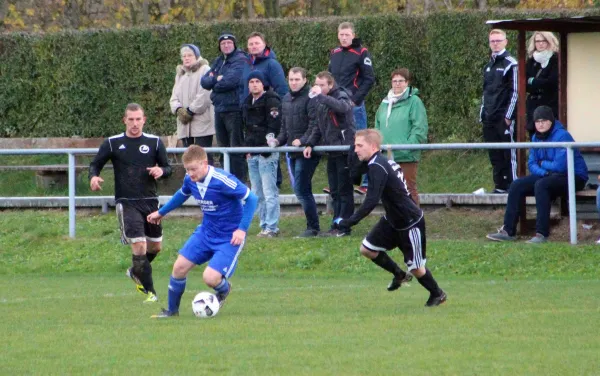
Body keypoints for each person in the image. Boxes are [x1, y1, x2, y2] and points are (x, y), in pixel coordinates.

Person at [335, 129, 446, 307]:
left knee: (417, 268)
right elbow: (355, 178)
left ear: (372, 146)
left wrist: (350, 221)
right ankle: (399, 274)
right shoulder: (376, 162)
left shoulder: (378, 166)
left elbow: (371, 200)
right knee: (367, 249)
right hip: (393, 220)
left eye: (359, 146)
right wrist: (352, 157)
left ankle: (437, 294)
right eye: (355, 145)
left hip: (410, 222)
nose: (356, 149)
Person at [147, 145, 258, 318]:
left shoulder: (222, 180)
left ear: (204, 163)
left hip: (229, 237)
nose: (191, 174)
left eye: (194, 169)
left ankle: (224, 289)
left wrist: (242, 230)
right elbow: (181, 194)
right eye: (187, 170)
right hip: (206, 232)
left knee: (210, 278)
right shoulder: (190, 179)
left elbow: (252, 199)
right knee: (179, 268)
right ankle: (172, 311)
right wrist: (161, 212)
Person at [89, 103, 172, 303]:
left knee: (155, 247)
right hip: (127, 202)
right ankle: (150, 292)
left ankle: (136, 271)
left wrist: (161, 171)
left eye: (138, 119)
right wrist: (93, 177)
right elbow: (95, 164)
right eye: (131, 119)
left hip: (151, 201)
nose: (135, 123)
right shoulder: (112, 143)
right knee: (139, 245)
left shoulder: (154, 142)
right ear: (124, 120)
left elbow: (168, 167)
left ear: (144, 120)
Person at [486, 106, 588, 244]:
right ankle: (508, 231)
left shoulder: (563, 136)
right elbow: (532, 164)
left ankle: (541, 234)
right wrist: (545, 171)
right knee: (517, 185)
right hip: (548, 175)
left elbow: (561, 166)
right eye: (537, 121)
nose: (540, 124)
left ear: (551, 121)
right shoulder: (535, 137)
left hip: (574, 176)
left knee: (542, 185)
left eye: (544, 120)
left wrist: (543, 164)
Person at [270, 67, 322, 238]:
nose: (294, 82)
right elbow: (285, 127)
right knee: (301, 188)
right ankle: (313, 226)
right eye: (291, 79)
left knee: (301, 189)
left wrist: (304, 141)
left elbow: (315, 125)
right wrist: (278, 140)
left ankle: (313, 227)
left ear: (305, 80)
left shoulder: (311, 98)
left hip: (307, 151)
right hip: (293, 151)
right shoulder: (285, 99)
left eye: (297, 79)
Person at [304, 71, 355, 237]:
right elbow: (318, 127)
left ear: (330, 85)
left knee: (344, 190)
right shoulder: (320, 102)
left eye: (322, 85)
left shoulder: (341, 95)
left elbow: (343, 108)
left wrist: (322, 97)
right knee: (334, 191)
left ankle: (344, 226)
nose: (318, 88)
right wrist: (310, 143)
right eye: (316, 84)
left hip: (343, 149)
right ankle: (336, 224)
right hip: (331, 151)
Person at [328, 21, 375, 194]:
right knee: (338, 141)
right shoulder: (335, 53)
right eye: (341, 35)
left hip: (354, 106)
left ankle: (366, 182)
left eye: (347, 34)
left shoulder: (362, 52)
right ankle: (341, 181)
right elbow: (330, 79)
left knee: (362, 141)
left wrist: (355, 99)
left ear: (353, 35)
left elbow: (369, 79)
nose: (344, 38)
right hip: (337, 105)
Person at [375, 68, 428, 206]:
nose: (397, 84)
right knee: (389, 192)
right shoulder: (384, 103)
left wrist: (408, 147)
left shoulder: (414, 101)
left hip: (406, 156)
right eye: (394, 81)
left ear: (407, 83)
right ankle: (396, 223)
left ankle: (415, 221)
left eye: (401, 81)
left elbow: (419, 128)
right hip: (387, 156)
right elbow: (377, 126)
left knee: (408, 190)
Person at [242, 31, 288, 188]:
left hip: (267, 112)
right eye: (251, 44)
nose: (254, 46)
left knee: (269, 148)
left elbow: (281, 88)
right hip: (250, 111)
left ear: (264, 44)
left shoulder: (271, 64)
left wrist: (280, 108)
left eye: (257, 43)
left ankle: (276, 181)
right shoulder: (246, 64)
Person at [201, 32, 248, 182]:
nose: (226, 46)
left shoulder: (240, 59)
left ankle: (239, 182)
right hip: (219, 109)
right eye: (223, 44)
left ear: (234, 44)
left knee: (235, 149)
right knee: (222, 148)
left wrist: (214, 82)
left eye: (229, 43)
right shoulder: (218, 61)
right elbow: (204, 81)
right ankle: (226, 181)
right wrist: (216, 79)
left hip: (234, 109)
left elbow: (231, 81)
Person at [242, 70, 282, 237]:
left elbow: (274, 125)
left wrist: (268, 147)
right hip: (252, 153)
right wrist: (247, 149)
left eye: (257, 81)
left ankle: (272, 227)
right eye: (251, 82)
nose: (254, 84)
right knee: (257, 192)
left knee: (269, 191)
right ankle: (264, 224)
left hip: (267, 153)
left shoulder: (272, 100)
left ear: (263, 83)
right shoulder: (246, 101)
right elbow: (245, 127)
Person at [480, 29, 518, 194]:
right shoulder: (488, 66)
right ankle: (500, 185)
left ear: (505, 41)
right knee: (494, 154)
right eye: (492, 41)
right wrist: (482, 113)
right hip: (489, 117)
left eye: (498, 40)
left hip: (503, 117)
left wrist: (508, 116)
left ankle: (513, 186)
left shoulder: (511, 63)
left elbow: (515, 92)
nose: (495, 44)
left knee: (508, 153)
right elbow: (485, 92)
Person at [169, 43, 215, 165]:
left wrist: (190, 111)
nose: (186, 58)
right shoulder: (180, 74)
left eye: (190, 55)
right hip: (184, 125)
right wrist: (179, 109)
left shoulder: (205, 70)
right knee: (189, 159)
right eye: (184, 56)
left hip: (202, 123)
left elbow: (205, 95)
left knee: (203, 158)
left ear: (196, 56)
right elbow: (174, 97)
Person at [526, 31, 559, 140]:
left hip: (550, 104)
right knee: (533, 136)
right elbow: (524, 83)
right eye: (537, 41)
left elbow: (552, 82)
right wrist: (539, 81)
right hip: (533, 105)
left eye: (543, 41)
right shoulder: (531, 61)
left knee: (551, 135)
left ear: (550, 42)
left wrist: (534, 81)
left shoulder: (555, 59)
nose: (540, 44)